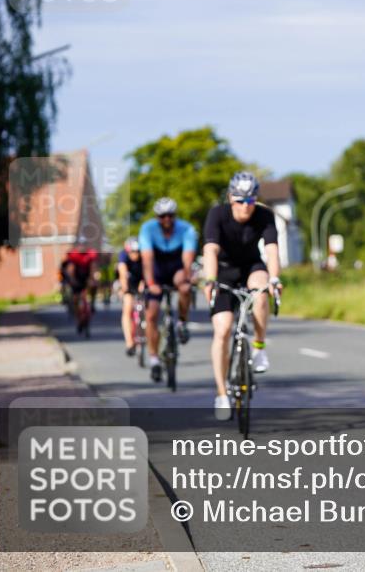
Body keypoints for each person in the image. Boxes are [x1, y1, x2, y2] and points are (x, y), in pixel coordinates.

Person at [202, 172, 282, 421]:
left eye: (250, 201)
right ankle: (222, 393)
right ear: (230, 198)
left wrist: (275, 279)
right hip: (223, 271)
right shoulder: (218, 214)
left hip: (251, 267)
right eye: (239, 200)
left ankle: (259, 348)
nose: (245, 206)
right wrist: (210, 281)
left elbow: (271, 250)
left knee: (260, 293)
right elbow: (210, 250)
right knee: (223, 329)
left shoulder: (264, 215)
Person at [139, 198, 197, 383]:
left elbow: (187, 259)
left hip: (176, 269)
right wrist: (150, 282)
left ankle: (181, 322)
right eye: (162, 216)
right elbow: (147, 259)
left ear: (175, 216)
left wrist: (187, 276)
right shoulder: (148, 229)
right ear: (157, 217)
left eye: (170, 215)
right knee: (151, 314)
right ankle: (154, 359)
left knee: (185, 287)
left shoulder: (186, 229)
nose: (167, 219)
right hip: (156, 271)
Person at [116, 237, 145, 356]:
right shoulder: (123, 256)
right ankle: (129, 342)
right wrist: (125, 289)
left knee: (146, 307)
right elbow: (123, 273)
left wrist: (143, 286)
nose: (135, 254)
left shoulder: (144, 255)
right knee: (128, 307)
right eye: (133, 252)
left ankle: (144, 331)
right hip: (129, 283)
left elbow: (148, 271)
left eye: (137, 252)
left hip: (141, 281)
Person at [63, 239, 99, 329]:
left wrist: (93, 278)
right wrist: (71, 280)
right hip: (76, 278)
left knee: (94, 285)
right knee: (75, 299)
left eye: (84, 245)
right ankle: (78, 317)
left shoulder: (90, 254)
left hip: (86, 276)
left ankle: (93, 303)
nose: (82, 247)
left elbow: (93, 267)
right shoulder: (73, 254)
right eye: (80, 245)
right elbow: (70, 269)